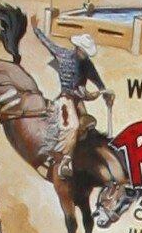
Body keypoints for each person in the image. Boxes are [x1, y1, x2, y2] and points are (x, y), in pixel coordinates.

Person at [39, 16, 110, 146]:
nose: (86, 55)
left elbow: (98, 82)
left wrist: (105, 94)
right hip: (66, 98)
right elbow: (48, 43)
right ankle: (60, 154)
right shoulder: (64, 56)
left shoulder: (87, 64)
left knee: (89, 124)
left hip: (78, 100)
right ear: (78, 48)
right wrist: (36, 29)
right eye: (84, 52)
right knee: (71, 126)